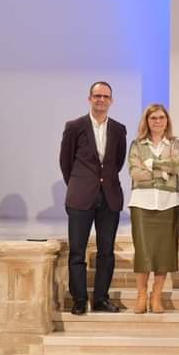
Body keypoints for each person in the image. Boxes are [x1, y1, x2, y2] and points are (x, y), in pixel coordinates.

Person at [60, 81, 127, 315]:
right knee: (78, 251)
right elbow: (66, 162)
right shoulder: (74, 126)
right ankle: (79, 300)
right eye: (97, 96)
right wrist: (79, 184)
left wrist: (103, 181)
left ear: (111, 101)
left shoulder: (118, 129)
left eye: (105, 96)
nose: (101, 100)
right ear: (89, 99)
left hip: (109, 197)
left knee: (106, 251)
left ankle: (101, 299)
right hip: (81, 197)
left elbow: (118, 162)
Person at [127, 104, 179, 314]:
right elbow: (135, 172)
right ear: (147, 121)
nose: (157, 121)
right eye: (153, 118)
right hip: (142, 202)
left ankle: (156, 296)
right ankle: (141, 295)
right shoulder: (137, 144)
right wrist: (162, 172)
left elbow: (177, 166)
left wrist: (150, 165)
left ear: (167, 121)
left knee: (164, 253)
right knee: (143, 252)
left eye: (161, 117)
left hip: (169, 202)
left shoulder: (175, 143)